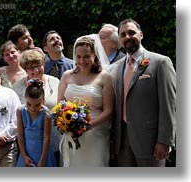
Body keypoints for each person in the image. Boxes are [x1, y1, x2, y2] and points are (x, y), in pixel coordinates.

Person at [111, 18, 176, 167]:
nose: (127, 37)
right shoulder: (117, 67)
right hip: (122, 143)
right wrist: (113, 140)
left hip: (151, 141)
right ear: (120, 40)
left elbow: (169, 104)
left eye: (131, 33)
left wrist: (165, 140)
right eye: (123, 34)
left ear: (141, 35)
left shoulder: (161, 62)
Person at [57, 36, 115, 167]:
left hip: (96, 133)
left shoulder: (105, 77)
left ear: (94, 55)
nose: (82, 60)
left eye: (87, 56)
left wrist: (87, 126)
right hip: (71, 133)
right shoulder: (67, 76)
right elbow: (60, 105)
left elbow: (108, 111)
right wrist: (68, 125)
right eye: (78, 56)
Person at [13, 49, 61, 166]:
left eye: (38, 65)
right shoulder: (17, 87)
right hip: (28, 146)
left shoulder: (55, 81)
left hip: (53, 138)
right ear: (25, 69)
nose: (35, 70)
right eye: (30, 68)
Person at [16, 79, 56, 167]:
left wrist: (42, 160)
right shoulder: (20, 110)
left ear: (43, 100)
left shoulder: (46, 113)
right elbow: (20, 134)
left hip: (42, 153)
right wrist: (24, 156)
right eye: (29, 104)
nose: (32, 108)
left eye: (37, 105)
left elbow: (46, 137)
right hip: (26, 153)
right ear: (25, 98)